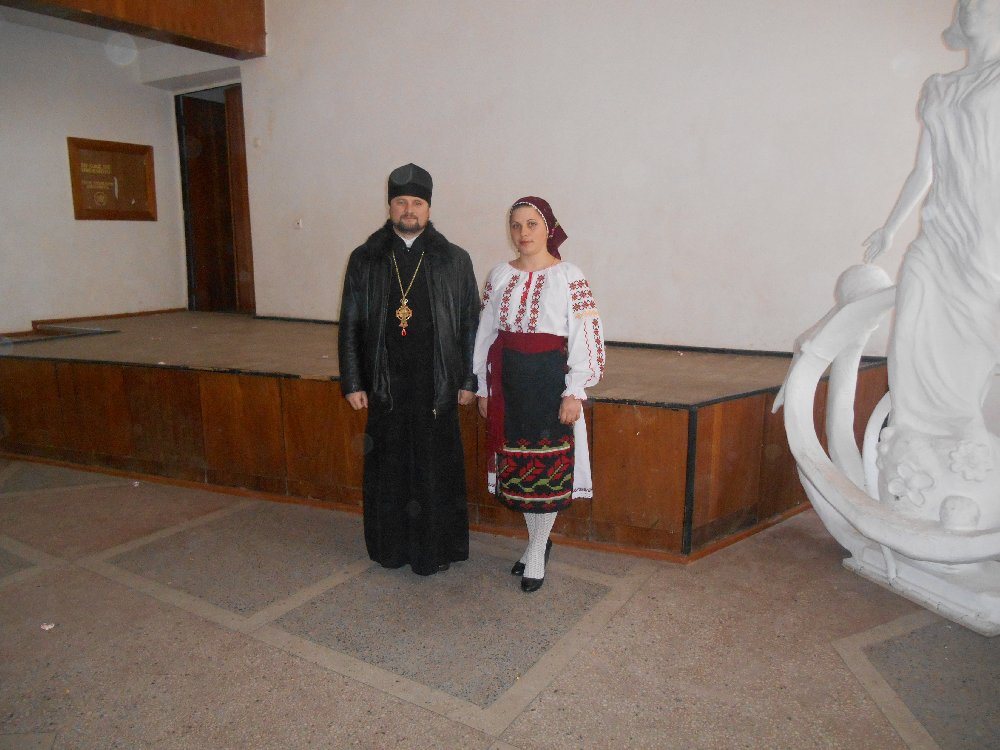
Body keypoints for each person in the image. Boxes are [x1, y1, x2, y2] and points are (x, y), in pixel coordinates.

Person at [863, 0, 1000, 444]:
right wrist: (890, 227)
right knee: (912, 322)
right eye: (968, 4)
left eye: (982, 3)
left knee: (978, 326)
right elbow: (923, 171)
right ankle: (916, 434)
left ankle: (965, 431)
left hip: (987, 227)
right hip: (941, 227)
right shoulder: (939, 86)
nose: (972, 8)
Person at [338, 163, 479, 576]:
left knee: (435, 471)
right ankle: (391, 548)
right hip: (386, 384)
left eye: (417, 202)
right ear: (390, 206)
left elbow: (470, 324)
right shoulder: (365, 259)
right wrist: (353, 381)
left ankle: (436, 550)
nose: (409, 210)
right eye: (401, 202)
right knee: (390, 470)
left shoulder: (454, 259)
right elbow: (350, 324)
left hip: (437, 383)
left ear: (429, 208)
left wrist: (468, 380)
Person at [473, 196, 605, 592]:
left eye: (531, 224)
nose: (523, 233)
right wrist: (483, 385)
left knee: (546, 469)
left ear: (548, 228)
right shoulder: (499, 275)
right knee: (519, 468)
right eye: (516, 225)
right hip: (509, 381)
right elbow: (485, 332)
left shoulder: (569, 276)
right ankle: (537, 544)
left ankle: (535, 550)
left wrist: (574, 391)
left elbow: (585, 333)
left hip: (550, 380)